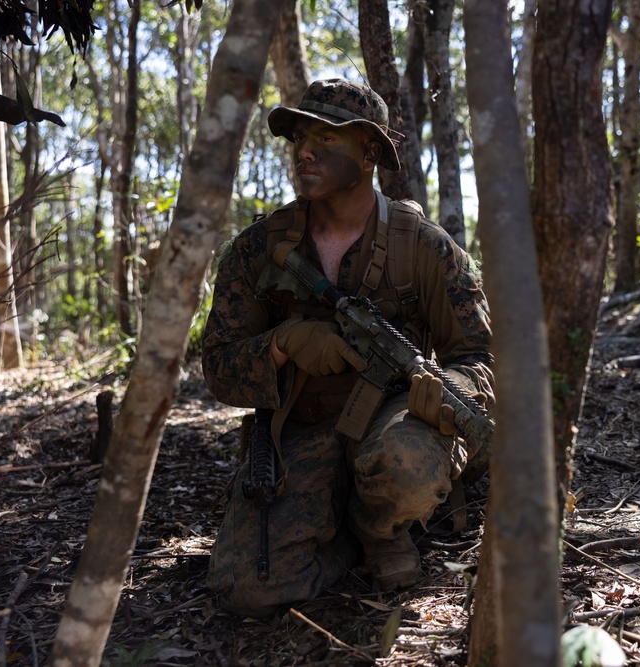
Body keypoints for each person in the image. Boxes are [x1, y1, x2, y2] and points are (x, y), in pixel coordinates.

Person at [201, 78, 495, 617]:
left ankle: (378, 522)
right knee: (250, 592)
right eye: (299, 138)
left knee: (406, 461)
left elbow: (480, 354)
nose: (304, 150)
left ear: (369, 154)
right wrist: (282, 345)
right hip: (302, 429)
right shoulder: (258, 250)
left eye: (326, 138)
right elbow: (217, 366)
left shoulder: (426, 248)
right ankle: (345, 536)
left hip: (392, 420)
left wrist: (448, 389)